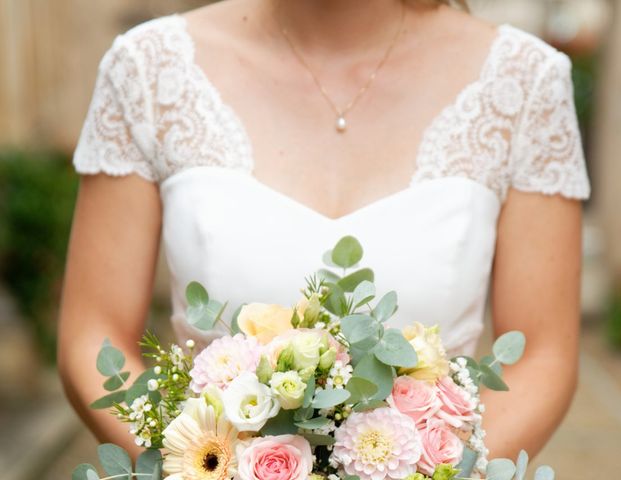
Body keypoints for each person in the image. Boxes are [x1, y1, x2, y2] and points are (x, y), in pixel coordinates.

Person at [57, 0, 591, 462]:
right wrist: (197, 464)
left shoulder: (524, 80)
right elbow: (94, 335)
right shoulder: (148, 68)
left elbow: (542, 355)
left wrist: (443, 470)